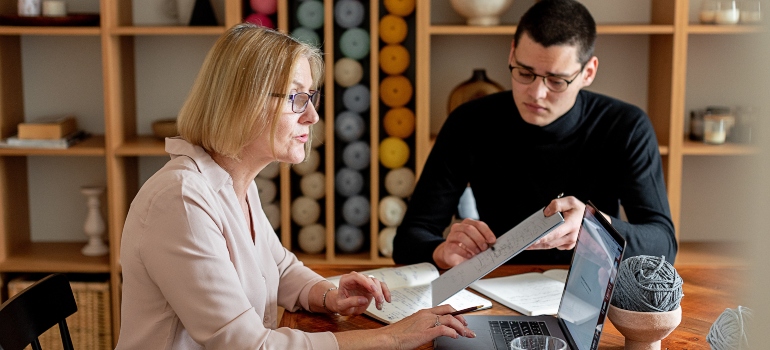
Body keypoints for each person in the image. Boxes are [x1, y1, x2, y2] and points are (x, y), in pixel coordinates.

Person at [117, 23, 474, 350]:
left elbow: (281, 269)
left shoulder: (234, 182)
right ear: (243, 102)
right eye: (295, 98)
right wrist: (391, 337)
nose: (312, 116)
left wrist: (328, 295)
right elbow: (245, 345)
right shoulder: (181, 199)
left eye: (310, 97)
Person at [393, 0, 677, 269]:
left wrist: (595, 226)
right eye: (525, 73)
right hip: (496, 283)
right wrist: (440, 251)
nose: (537, 94)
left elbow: (664, 244)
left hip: (589, 291)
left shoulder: (625, 126)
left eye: (556, 81)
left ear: (588, 72)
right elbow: (408, 239)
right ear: (512, 52)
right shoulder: (469, 121)